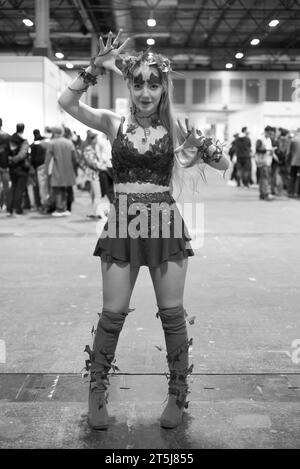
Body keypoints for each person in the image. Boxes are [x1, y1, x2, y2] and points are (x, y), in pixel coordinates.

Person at [58, 29, 229, 430]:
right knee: (112, 315)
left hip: (164, 225)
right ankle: (96, 393)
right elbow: (67, 101)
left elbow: (223, 167)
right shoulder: (113, 123)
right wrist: (94, 67)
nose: (146, 92)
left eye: (154, 84)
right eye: (139, 83)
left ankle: (178, 397)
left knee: (172, 315)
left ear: (163, 87)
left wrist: (204, 145)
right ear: (129, 86)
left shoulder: (174, 131)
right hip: (122, 224)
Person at [44, 126, 76, 217]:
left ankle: (59, 209)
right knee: (65, 189)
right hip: (68, 170)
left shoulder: (52, 143)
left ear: (54, 132)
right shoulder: (69, 142)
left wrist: (46, 171)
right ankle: (65, 208)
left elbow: (48, 159)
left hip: (57, 169)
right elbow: (74, 157)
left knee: (57, 190)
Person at [7, 123, 30, 215]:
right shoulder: (24, 141)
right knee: (20, 189)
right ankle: (18, 208)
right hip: (21, 167)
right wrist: (14, 160)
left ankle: (9, 208)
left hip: (12, 168)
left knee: (13, 187)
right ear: (23, 129)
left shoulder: (10, 140)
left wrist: (11, 160)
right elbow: (23, 154)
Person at [255, 126, 275, 201]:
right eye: (269, 133)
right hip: (262, 161)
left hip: (267, 161)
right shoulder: (260, 139)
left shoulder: (268, 139)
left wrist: (271, 151)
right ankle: (266, 194)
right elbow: (257, 149)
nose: (270, 135)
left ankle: (262, 194)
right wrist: (268, 150)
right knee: (265, 178)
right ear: (266, 131)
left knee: (263, 178)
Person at [0, 118, 11, 211]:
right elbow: (9, 152)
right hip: (4, 165)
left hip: (4, 165)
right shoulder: (7, 136)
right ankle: (6, 205)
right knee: (6, 186)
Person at [287, 128, 300, 198]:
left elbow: (289, 152)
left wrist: (287, 161)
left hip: (294, 161)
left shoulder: (293, 139)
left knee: (292, 177)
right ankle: (298, 192)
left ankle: (290, 192)